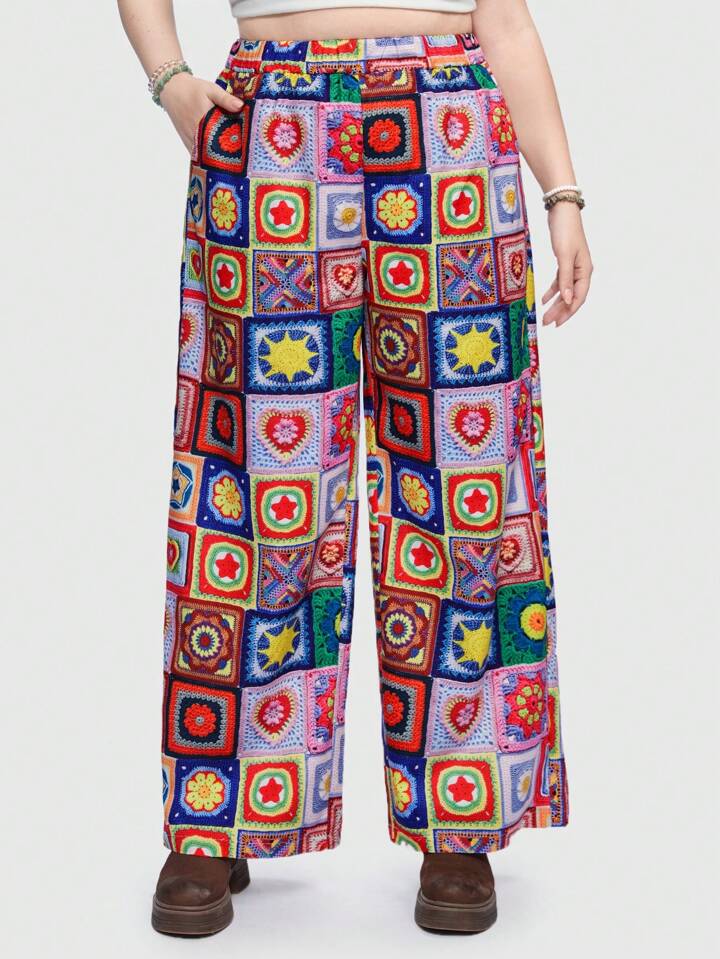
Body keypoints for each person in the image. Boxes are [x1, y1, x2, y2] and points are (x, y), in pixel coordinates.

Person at [118, 0, 592, 937]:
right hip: (273, 126)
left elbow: (505, 23)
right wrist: (170, 80)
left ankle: (461, 814)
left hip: (450, 128)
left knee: (464, 483)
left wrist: (563, 195)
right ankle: (219, 807)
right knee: (253, 481)